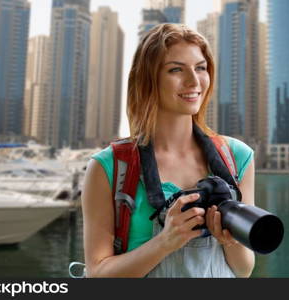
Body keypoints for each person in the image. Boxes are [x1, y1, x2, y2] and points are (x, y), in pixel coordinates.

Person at [82, 23, 256, 278]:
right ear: (148, 79)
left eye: (201, 68)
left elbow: (244, 269)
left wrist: (230, 240)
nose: (194, 81)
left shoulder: (237, 157)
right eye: (176, 69)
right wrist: (164, 242)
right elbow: (97, 273)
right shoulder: (109, 166)